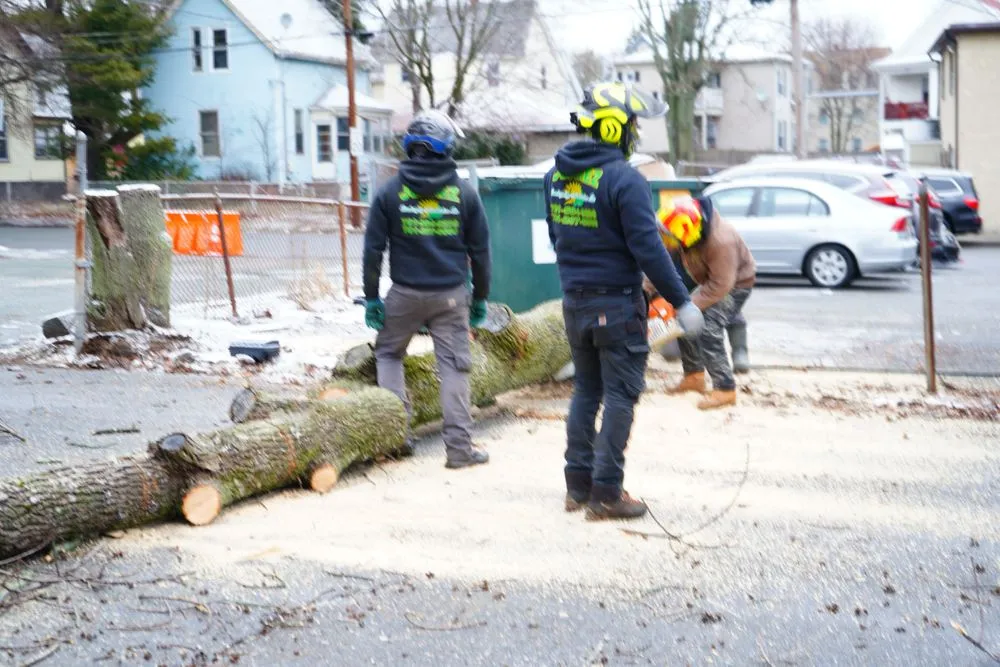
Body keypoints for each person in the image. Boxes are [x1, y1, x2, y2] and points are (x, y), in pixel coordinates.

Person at [545, 82, 705, 521]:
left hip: (574, 303)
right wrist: (681, 302)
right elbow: (649, 249)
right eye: (632, 124)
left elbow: (556, 238)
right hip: (616, 305)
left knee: (586, 391)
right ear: (614, 127)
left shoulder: (555, 176)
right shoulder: (625, 180)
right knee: (620, 395)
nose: (635, 132)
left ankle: (576, 486)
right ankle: (607, 492)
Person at [362, 109, 492, 469]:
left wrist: (372, 297)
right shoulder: (464, 194)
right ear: (445, 149)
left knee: (388, 354)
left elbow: (373, 249)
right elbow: (481, 252)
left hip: (404, 294)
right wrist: (480, 297)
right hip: (451, 297)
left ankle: (395, 439)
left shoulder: (389, 192)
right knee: (453, 368)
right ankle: (460, 450)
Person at [659, 194, 756, 409]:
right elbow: (662, 264)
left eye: (670, 239)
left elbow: (721, 285)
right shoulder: (677, 229)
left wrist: (689, 306)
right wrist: (647, 292)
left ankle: (725, 388)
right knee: (684, 319)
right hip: (706, 280)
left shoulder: (722, 241)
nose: (667, 242)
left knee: (708, 327)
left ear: (688, 234)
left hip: (735, 284)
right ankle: (694, 377)